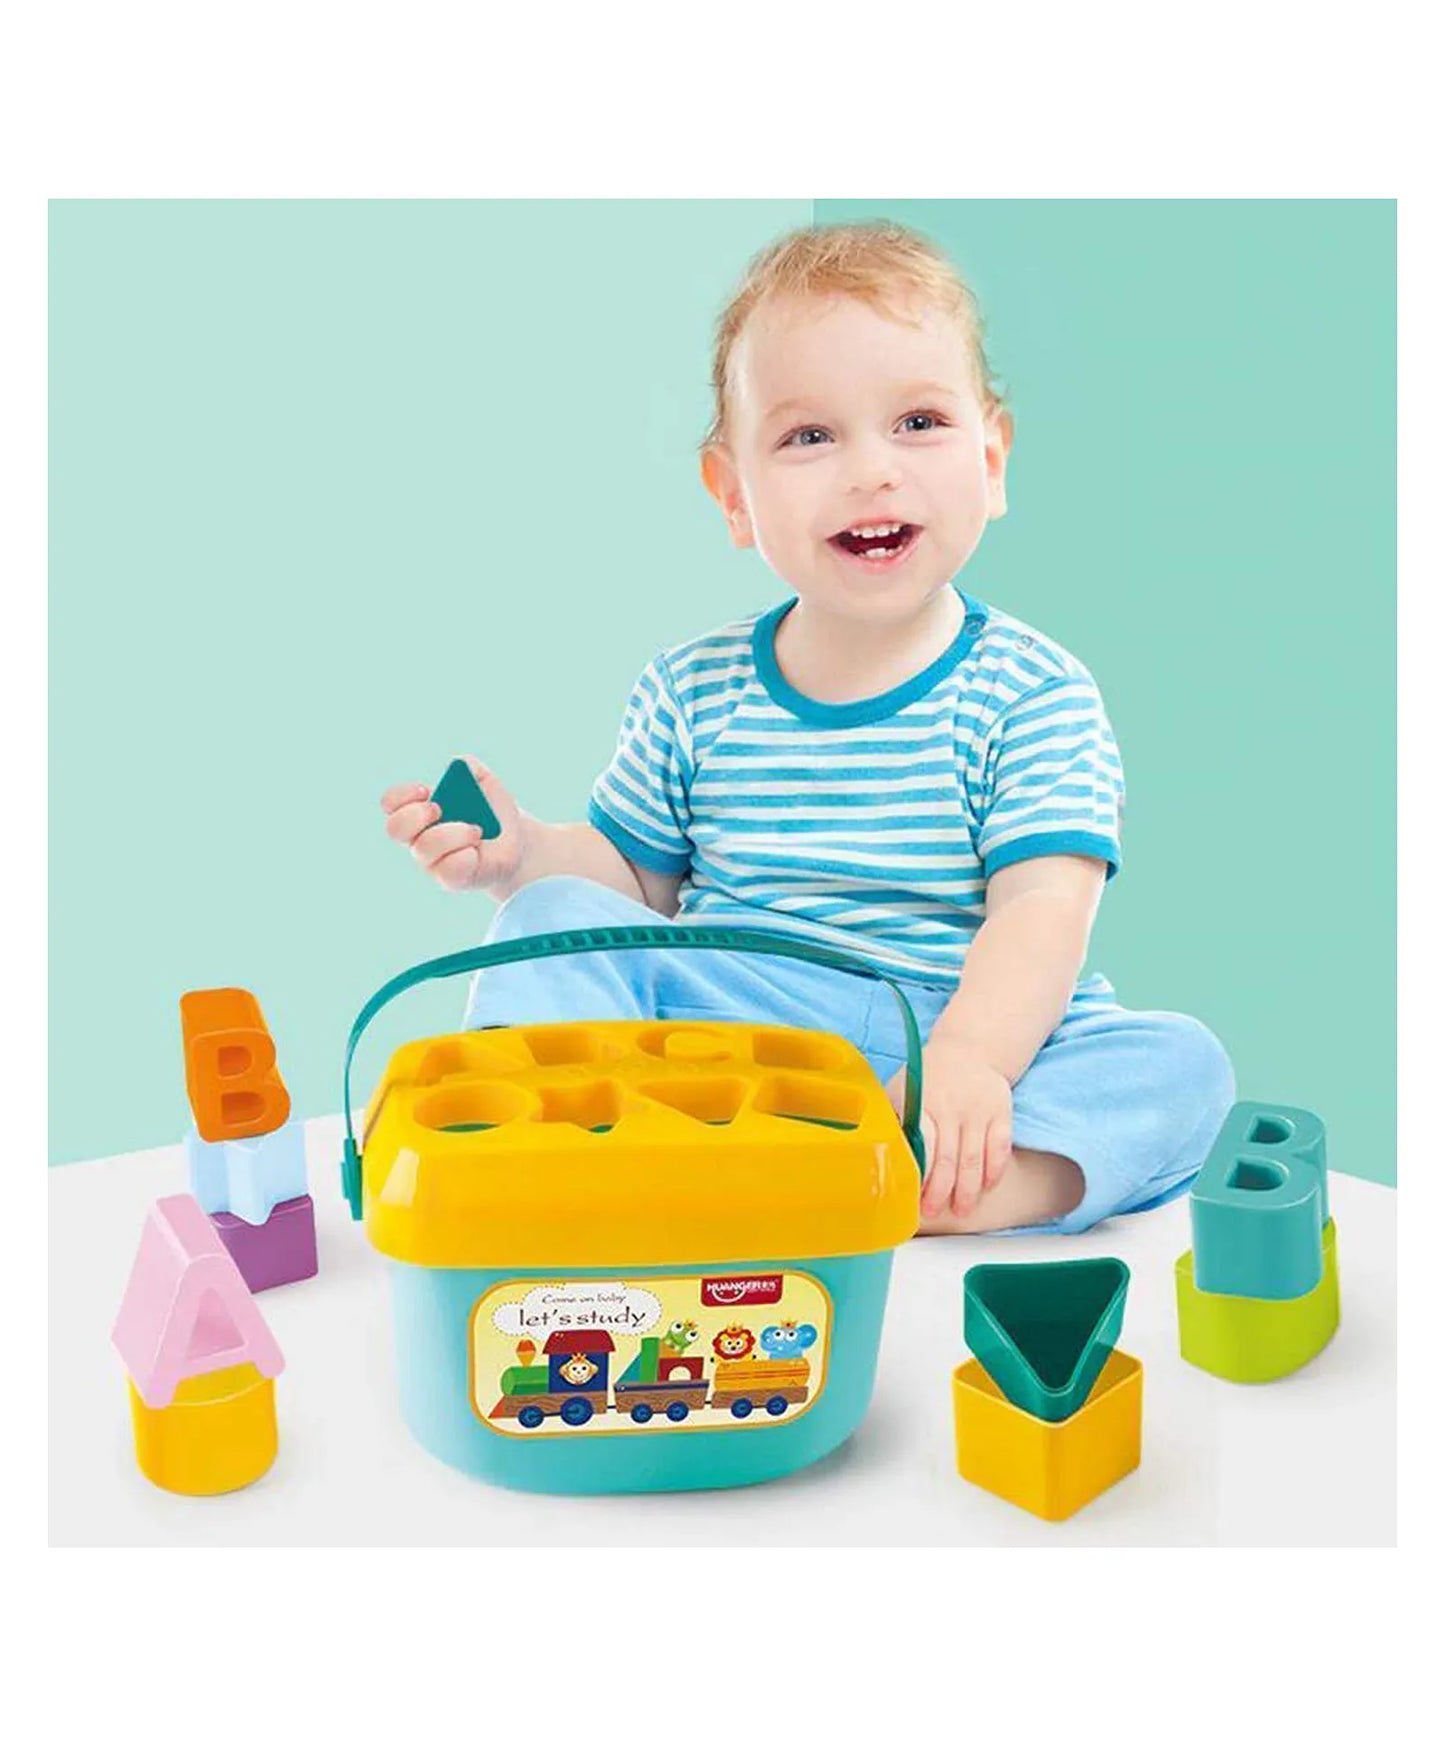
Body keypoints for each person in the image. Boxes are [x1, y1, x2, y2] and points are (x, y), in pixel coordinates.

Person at [381, 219, 1234, 1237]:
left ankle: (941, 1187)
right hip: (729, 1025)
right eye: (808, 437)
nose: (871, 471)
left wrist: (967, 1061)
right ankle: (578, 1160)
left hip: (941, 1033)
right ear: (732, 495)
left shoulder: (1033, 692)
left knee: (1178, 1065)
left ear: (991, 459)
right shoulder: (691, 688)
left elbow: (1039, 917)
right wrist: (522, 854)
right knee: (543, 918)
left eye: (917, 422)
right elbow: (632, 889)